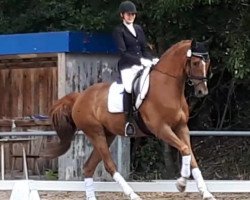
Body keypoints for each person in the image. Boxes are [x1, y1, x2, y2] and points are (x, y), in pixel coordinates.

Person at [113, 0, 159, 136]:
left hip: (142, 64)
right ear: (122, 15)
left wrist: (151, 59)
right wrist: (140, 60)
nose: (131, 16)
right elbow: (123, 52)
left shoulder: (138, 28)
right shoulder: (119, 30)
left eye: (133, 14)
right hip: (127, 66)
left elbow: (144, 48)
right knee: (128, 87)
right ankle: (128, 121)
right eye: (128, 14)